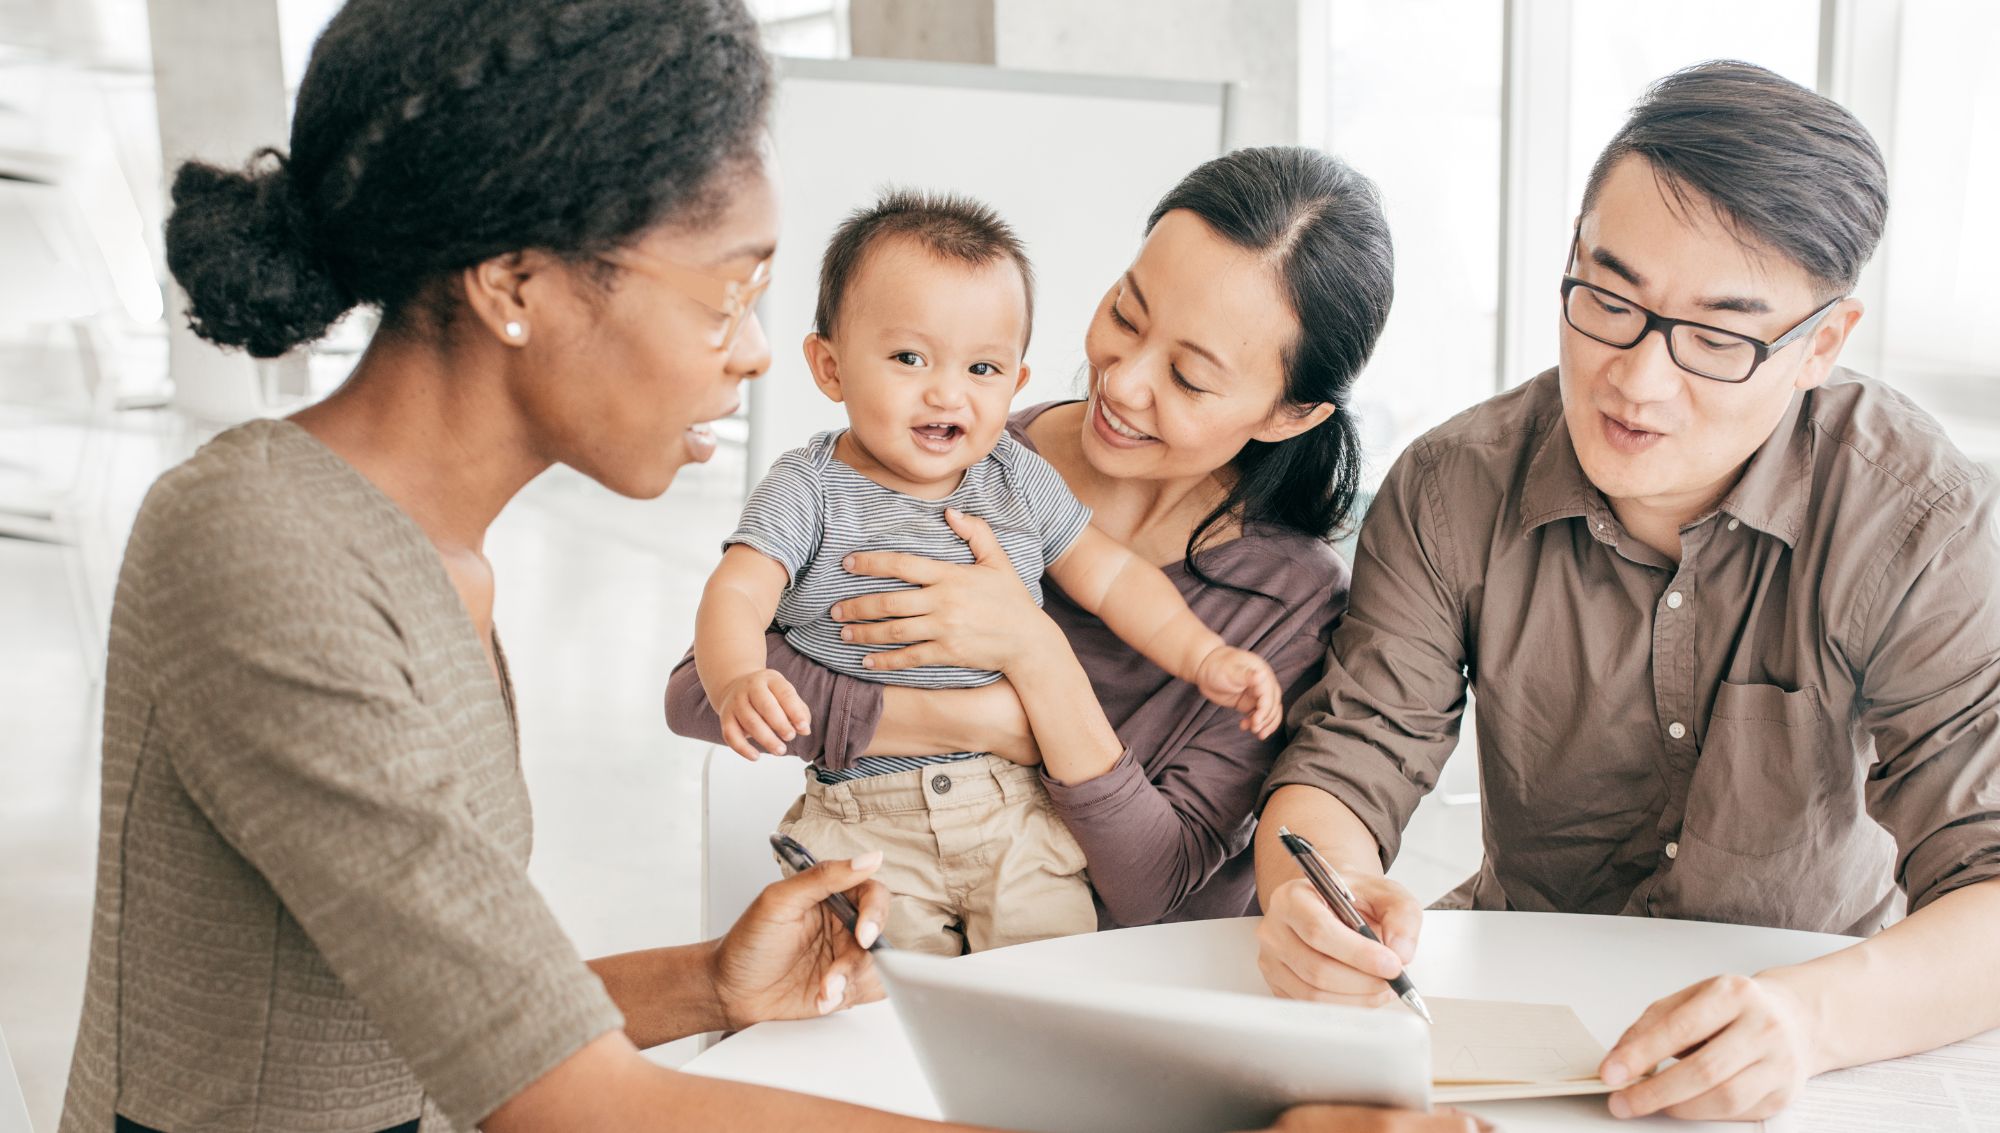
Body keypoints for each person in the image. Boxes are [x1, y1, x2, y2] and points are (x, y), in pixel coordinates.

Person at [57, 0, 1469, 1130]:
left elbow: (430, 1013)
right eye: (728, 290)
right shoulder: (265, 549)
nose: (753, 351)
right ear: (517, 284)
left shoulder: (436, 555)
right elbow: (564, 1097)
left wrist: (702, 980)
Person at [1256, 60, 2000, 1123]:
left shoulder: (1912, 515)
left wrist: (1808, 1019)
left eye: (1715, 337)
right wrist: (1309, 892)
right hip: (1506, 1014)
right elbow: (1350, 756)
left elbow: (1988, 877)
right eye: (1607, 298)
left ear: (1819, 345)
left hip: (1805, 1023)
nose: (1636, 381)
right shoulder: (1450, 482)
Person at [669, 144, 1393, 937]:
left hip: (1121, 988)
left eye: (1188, 377)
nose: (1119, 381)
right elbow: (702, 691)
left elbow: (1155, 886)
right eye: (1126, 312)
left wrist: (1036, 655)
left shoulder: (1287, 596)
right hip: (883, 850)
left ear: (1289, 414)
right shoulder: (950, 458)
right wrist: (993, 724)